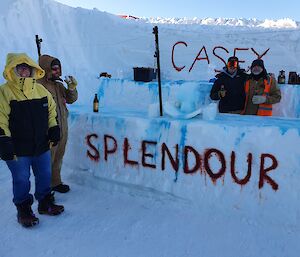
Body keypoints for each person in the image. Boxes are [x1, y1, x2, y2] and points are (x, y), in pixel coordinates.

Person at [0, 53, 64, 227]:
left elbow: (51, 112)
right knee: (22, 179)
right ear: (12, 70)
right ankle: (24, 210)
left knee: (45, 175)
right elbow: (1, 119)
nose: (24, 71)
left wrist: (53, 128)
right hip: (17, 149)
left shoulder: (41, 90)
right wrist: (3, 140)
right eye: (19, 68)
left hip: (41, 145)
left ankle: (45, 203)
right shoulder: (4, 92)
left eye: (26, 68)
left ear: (32, 70)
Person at [38, 54, 78, 193]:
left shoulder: (58, 84)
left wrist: (72, 88)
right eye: (54, 69)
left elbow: (71, 99)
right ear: (46, 69)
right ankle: (45, 189)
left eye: (59, 69)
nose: (58, 72)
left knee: (58, 157)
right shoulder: (39, 85)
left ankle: (55, 182)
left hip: (62, 127)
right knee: (46, 160)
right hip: (48, 129)